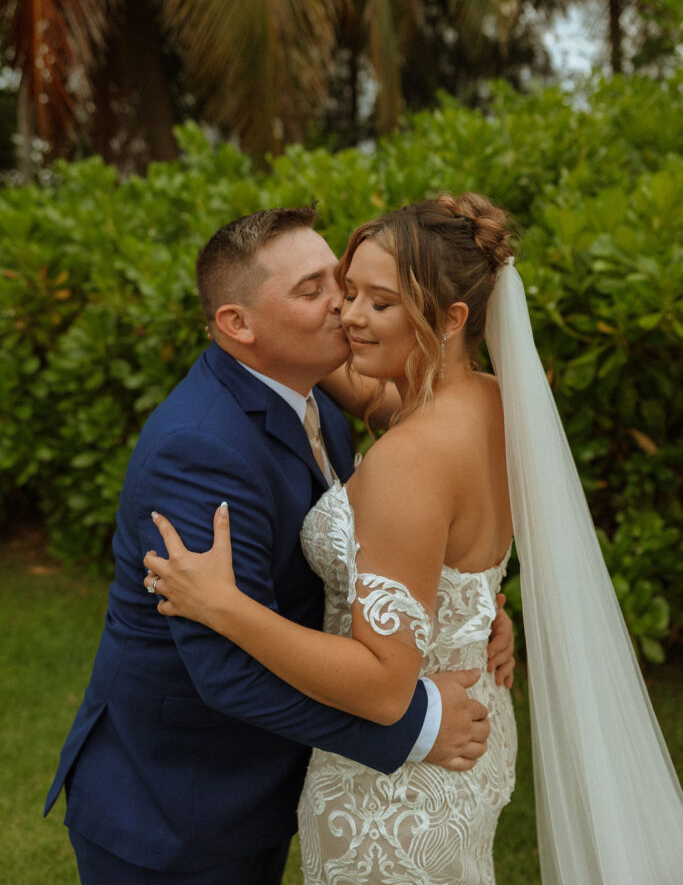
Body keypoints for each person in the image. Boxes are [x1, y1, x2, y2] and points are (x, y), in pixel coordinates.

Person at [144, 192, 683, 885]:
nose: (348, 314)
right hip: (474, 720)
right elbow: (456, 556)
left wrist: (224, 605)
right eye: (343, 292)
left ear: (450, 317)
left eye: (378, 302)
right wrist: (483, 611)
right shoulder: (490, 401)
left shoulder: (411, 456)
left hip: (394, 782)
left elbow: (380, 687)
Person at [44, 205, 515, 885]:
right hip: (180, 806)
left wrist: (469, 604)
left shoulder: (321, 393)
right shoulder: (197, 450)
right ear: (237, 324)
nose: (343, 309)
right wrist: (415, 725)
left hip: (271, 781)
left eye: (347, 285)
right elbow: (225, 673)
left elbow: (429, 514)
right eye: (315, 291)